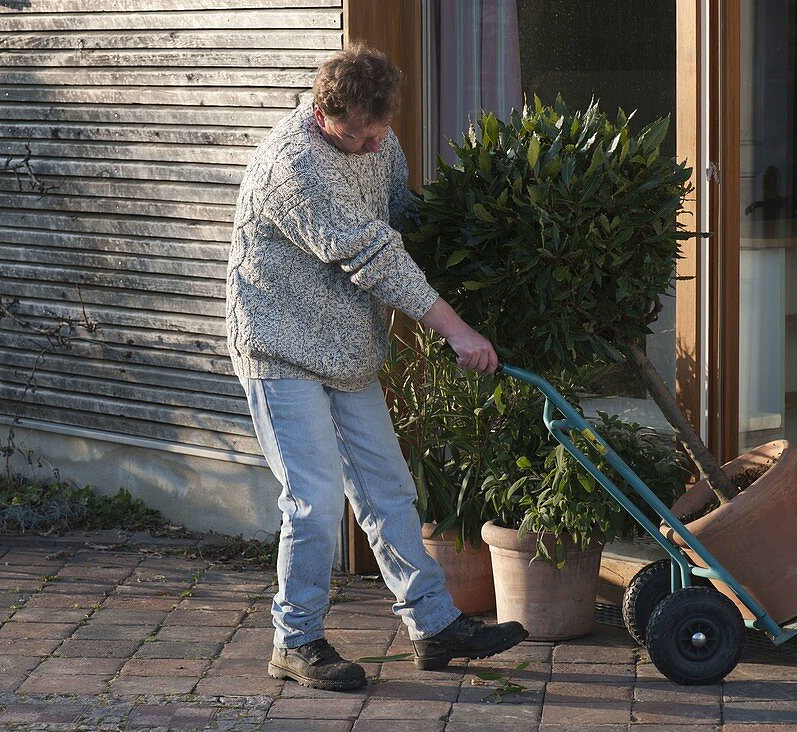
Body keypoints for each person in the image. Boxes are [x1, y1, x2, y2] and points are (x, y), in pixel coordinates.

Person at [225, 42, 528, 692]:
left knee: (389, 492)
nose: (372, 148)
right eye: (359, 136)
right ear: (324, 112)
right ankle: (295, 641)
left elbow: (402, 221)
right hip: (279, 350)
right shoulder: (294, 166)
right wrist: (453, 327)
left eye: (380, 132)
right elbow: (376, 255)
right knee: (313, 503)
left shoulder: (379, 142)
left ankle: (435, 626)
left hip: (348, 349)